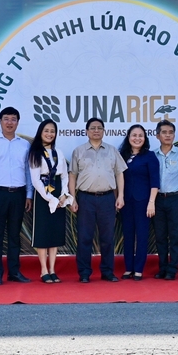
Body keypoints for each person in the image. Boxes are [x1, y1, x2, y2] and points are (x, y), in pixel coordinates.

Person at [69, 118, 127, 283]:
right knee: (84, 237)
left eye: (99, 128)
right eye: (93, 128)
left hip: (107, 198)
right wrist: (73, 198)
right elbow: (72, 175)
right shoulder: (78, 151)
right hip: (86, 198)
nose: (96, 131)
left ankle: (108, 272)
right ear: (86, 131)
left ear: (104, 131)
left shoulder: (112, 150)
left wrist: (120, 195)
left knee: (107, 238)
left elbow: (119, 174)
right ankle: (84, 272)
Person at [0, 106, 33, 286]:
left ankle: (14, 272)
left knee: (14, 235)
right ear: (0, 121)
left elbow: (27, 172)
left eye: (13, 119)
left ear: (18, 122)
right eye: (6, 119)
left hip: (18, 194)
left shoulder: (24, 145)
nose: (10, 122)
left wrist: (29, 195)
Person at [28, 119, 73, 283]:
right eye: (46, 130)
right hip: (43, 196)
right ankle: (43, 270)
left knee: (54, 232)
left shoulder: (59, 152)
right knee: (43, 233)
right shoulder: (35, 153)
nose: (49, 134)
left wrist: (64, 194)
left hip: (59, 194)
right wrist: (49, 198)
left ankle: (53, 269)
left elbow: (65, 175)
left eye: (52, 131)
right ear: (41, 132)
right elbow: (35, 181)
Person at [152, 120, 178, 281]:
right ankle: (162, 267)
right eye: (164, 132)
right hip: (158, 200)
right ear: (157, 135)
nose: (168, 135)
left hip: (176, 199)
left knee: (175, 236)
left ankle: (172, 269)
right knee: (160, 236)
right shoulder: (152, 155)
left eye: (170, 132)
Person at [118, 125, 160, 281]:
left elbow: (155, 181)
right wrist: (119, 197)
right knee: (127, 235)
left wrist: (151, 202)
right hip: (126, 201)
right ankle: (128, 268)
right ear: (128, 137)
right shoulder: (122, 155)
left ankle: (138, 269)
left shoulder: (150, 156)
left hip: (144, 202)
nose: (137, 138)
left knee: (142, 236)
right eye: (134, 135)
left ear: (145, 138)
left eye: (140, 135)